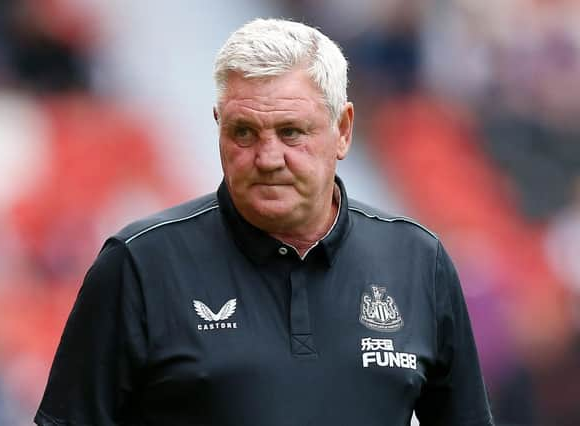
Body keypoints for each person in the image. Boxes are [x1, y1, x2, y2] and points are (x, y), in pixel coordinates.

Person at [35, 18, 494, 426]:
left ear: (343, 130)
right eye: (244, 132)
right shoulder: (139, 264)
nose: (268, 157)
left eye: (291, 132)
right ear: (218, 127)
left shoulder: (418, 261)